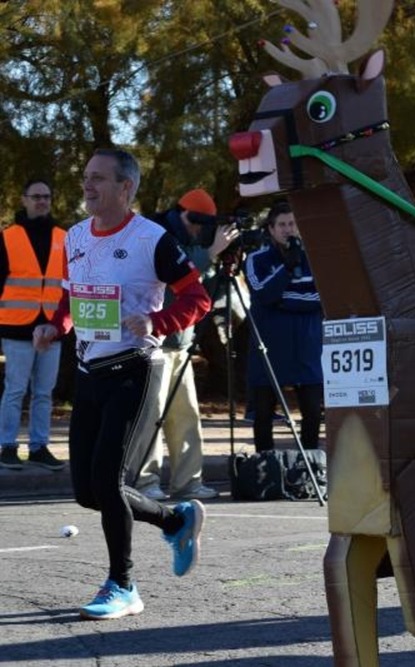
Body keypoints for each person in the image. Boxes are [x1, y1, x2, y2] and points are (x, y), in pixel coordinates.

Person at [33, 148, 211, 620]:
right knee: (86, 493)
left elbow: (198, 298)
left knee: (108, 481)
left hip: (135, 369)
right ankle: (175, 518)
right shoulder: (74, 236)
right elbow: (74, 295)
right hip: (91, 371)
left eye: (98, 179)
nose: (87, 186)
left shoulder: (152, 239)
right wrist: (56, 326)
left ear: (125, 187)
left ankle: (123, 585)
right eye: (85, 177)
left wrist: (157, 319)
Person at [134, 188, 239, 501]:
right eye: (195, 223)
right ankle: (144, 482)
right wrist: (212, 252)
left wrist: (219, 260)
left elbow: (199, 291)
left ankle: (188, 483)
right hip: (156, 342)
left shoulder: (190, 239)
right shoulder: (159, 238)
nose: (198, 230)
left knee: (186, 416)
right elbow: (177, 274)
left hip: (181, 342)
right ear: (183, 215)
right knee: (151, 414)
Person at [243, 201, 323, 453]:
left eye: (292, 223)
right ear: (271, 228)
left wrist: (283, 301)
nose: (288, 229)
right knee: (263, 413)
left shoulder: (316, 257)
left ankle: (309, 464)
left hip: (307, 348)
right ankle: (265, 465)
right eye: (282, 224)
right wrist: (286, 269)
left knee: (311, 411)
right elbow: (263, 294)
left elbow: (321, 299)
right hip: (270, 348)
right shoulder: (257, 259)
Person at [0, 178, 66, 471]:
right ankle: (7, 446)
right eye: (36, 196)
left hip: (52, 327)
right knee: (15, 390)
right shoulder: (7, 237)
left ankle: (39, 446)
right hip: (16, 327)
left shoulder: (64, 237)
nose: (42, 201)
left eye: (47, 196)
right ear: (24, 200)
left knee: (44, 392)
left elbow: (69, 284)